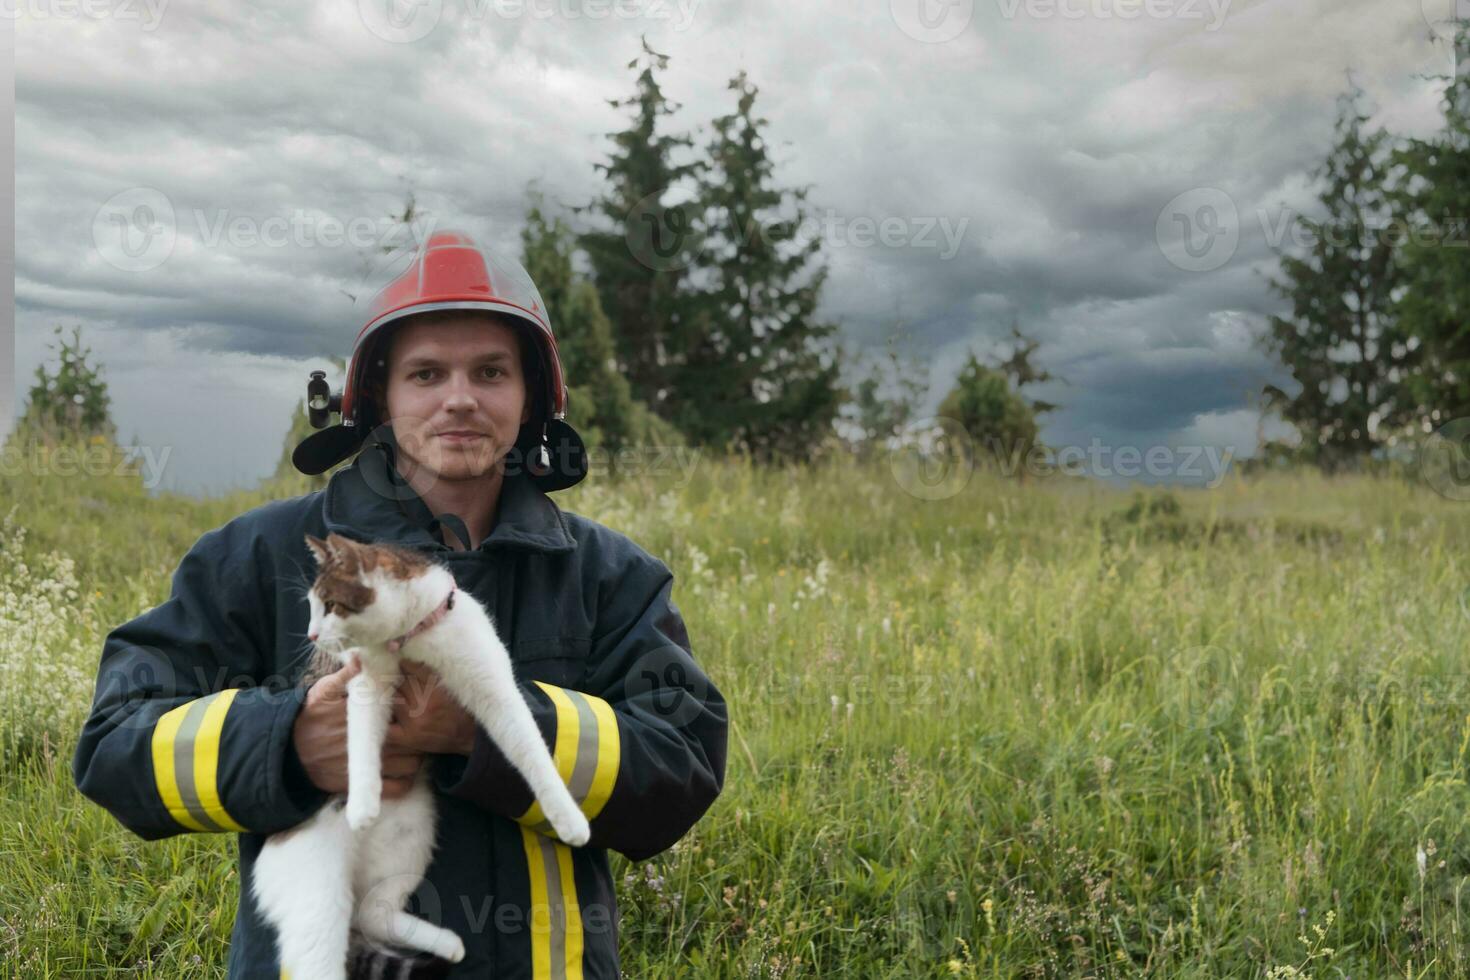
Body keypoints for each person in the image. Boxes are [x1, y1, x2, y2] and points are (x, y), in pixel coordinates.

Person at [71, 229, 728, 979]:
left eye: (490, 371)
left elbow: (682, 770)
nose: (460, 398)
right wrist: (285, 739)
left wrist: (480, 728)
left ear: (532, 396)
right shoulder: (259, 554)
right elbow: (114, 744)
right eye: (425, 373)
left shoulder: (610, 576)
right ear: (377, 396)